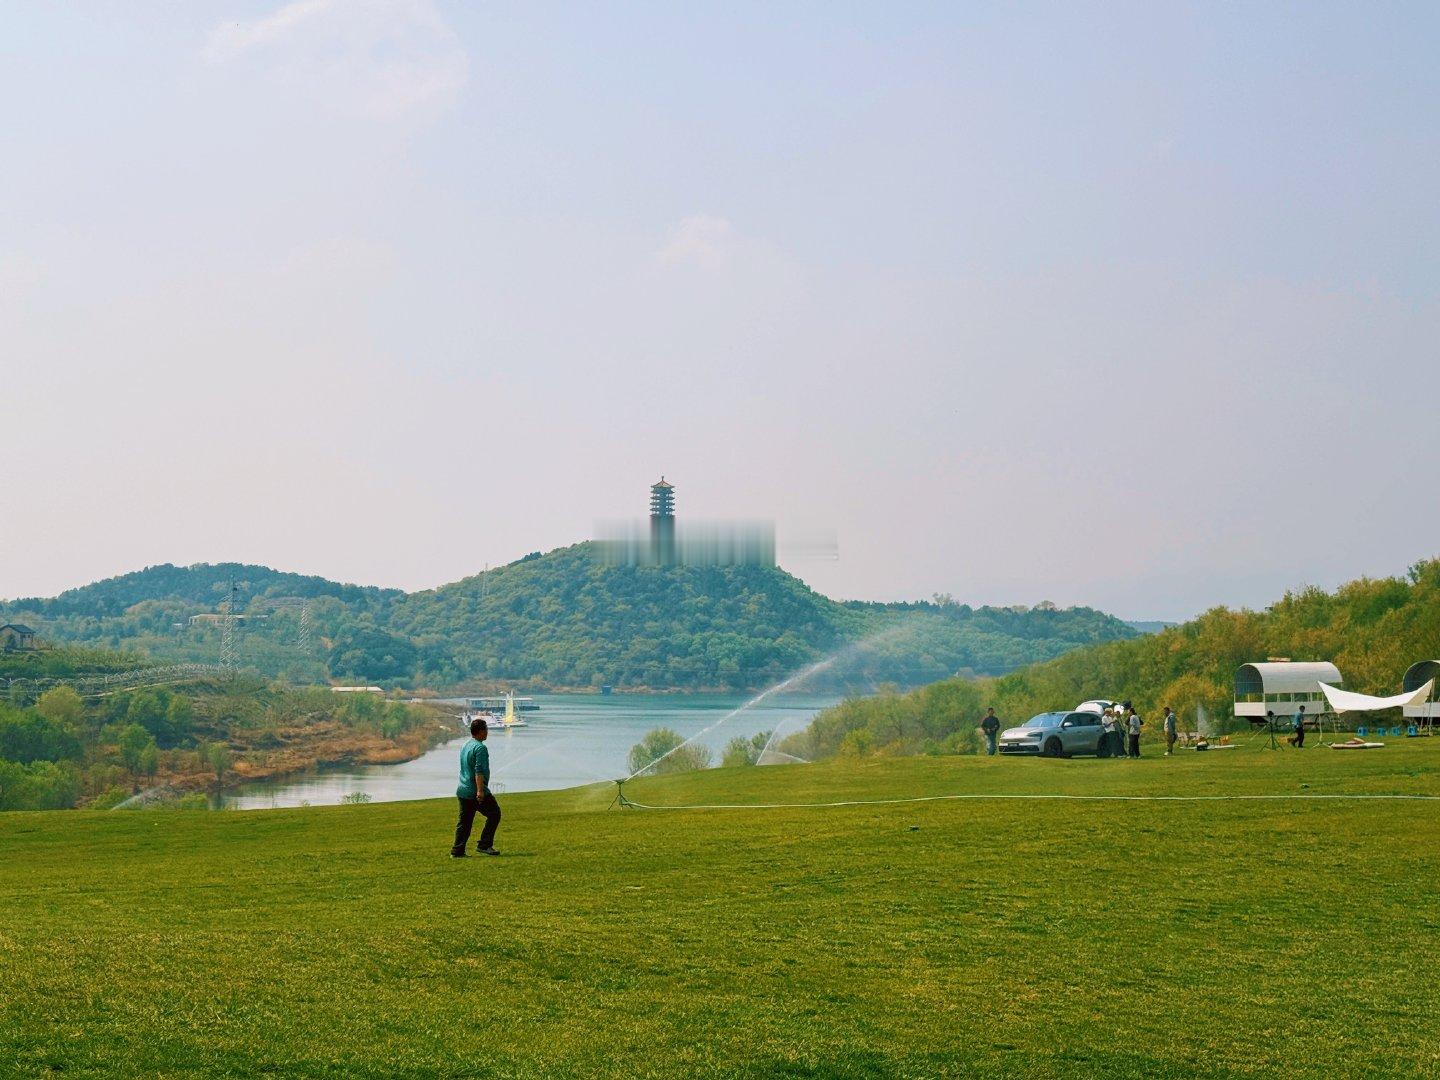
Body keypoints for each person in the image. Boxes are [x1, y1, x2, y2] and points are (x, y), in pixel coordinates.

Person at [451, 716, 501, 857]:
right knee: (494, 814)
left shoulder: (466, 744)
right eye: (486, 730)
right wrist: (480, 791)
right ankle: (484, 845)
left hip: (463, 789)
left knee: (464, 822)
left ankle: (457, 851)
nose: (487, 733)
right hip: (475, 790)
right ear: (480, 731)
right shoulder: (480, 748)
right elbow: (478, 771)